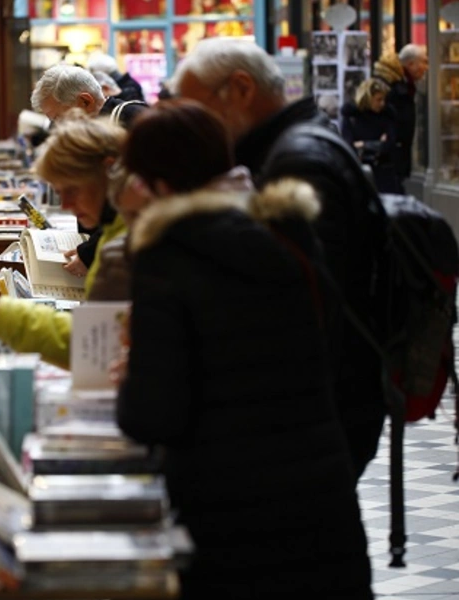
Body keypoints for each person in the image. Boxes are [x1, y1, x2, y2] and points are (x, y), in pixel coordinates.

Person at [117, 99, 373, 600]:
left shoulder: (169, 252)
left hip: (226, 514)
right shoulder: (289, 230)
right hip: (320, 491)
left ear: (162, 183)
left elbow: (154, 416)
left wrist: (131, 377)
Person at [173, 37, 386, 481]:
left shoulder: (297, 161)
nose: (194, 130)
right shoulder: (289, 147)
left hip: (319, 407)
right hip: (322, 401)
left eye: (199, 112)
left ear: (242, 88)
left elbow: (307, 303)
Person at [0, 115, 128, 367]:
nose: (66, 206)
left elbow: (99, 344)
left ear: (109, 170)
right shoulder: (117, 230)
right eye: (60, 193)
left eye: (72, 190)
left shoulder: (129, 241)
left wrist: (16, 319)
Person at [31, 64, 147, 276]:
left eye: (57, 119)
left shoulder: (132, 121)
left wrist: (91, 252)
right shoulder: (101, 126)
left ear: (85, 101)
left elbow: (137, 206)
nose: (57, 129)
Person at [373, 46, 428, 183]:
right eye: (423, 62)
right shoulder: (393, 86)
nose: (426, 67)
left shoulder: (405, 85)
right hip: (390, 155)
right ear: (410, 64)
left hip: (397, 153)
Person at [341, 78, 402, 193]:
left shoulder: (387, 115)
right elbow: (349, 146)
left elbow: (388, 144)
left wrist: (363, 144)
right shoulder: (352, 116)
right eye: (378, 100)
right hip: (360, 174)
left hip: (384, 174)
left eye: (384, 100)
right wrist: (377, 143)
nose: (382, 104)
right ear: (368, 98)